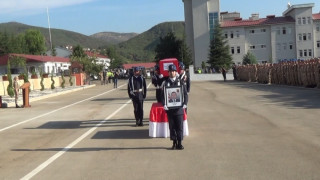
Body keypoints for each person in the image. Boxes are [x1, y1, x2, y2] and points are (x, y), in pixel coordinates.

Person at [162, 64, 188, 150]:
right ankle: (174, 142)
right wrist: (164, 104)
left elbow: (185, 94)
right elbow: (162, 96)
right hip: (170, 110)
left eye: (173, 71)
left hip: (179, 109)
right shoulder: (165, 83)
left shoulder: (180, 81)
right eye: (170, 71)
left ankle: (179, 143)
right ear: (168, 72)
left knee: (179, 127)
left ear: (175, 72)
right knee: (172, 127)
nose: (172, 73)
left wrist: (185, 103)